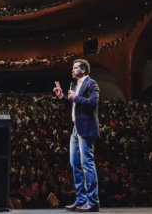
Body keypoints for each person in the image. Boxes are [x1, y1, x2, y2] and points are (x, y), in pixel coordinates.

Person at [53, 59, 100, 212]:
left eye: (75, 68)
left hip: (86, 128)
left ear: (84, 69)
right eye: (72, 68)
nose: (72, 70)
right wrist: (62, 97)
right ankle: (81, 200)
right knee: (75, 164)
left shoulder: (91, 83)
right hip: (76, 128)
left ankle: (92, 202)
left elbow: (93, 103)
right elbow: (73, 105)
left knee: (87, 164)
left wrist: (76, 97)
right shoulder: (75, 85)